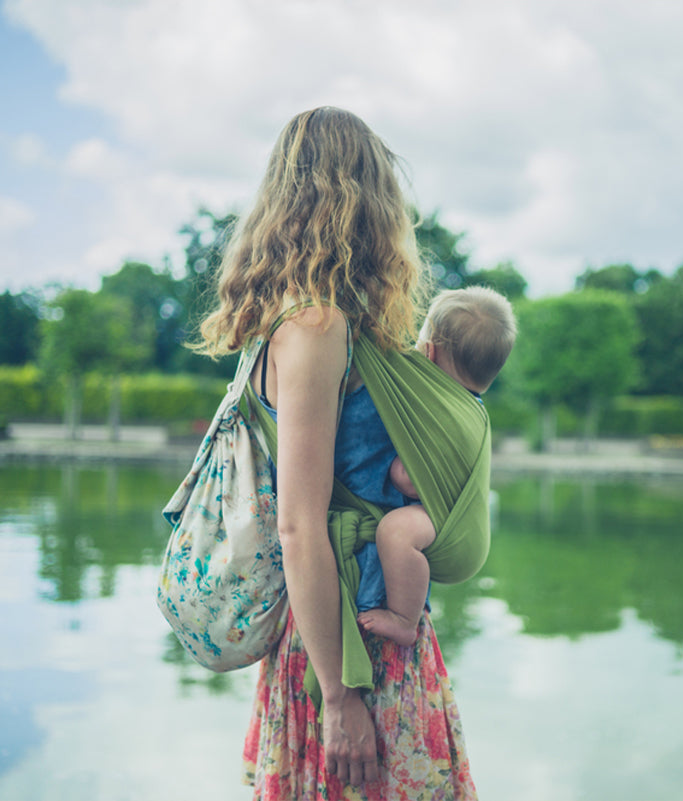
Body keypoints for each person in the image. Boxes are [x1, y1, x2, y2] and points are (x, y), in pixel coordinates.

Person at [193, 107, 477, 799]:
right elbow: (298, 523)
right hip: (352, 646)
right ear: (366, 198)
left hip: (334, 627)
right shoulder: (316, 326)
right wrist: (343, 697)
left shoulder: (292, 322)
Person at [357, 286, 516, 647]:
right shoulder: (470, 406)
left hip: (453, 538)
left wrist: (397, 466)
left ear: (427, 352)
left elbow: (411, 482)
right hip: (466, 530)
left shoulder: (443, 413)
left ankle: (403, 619)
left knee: (396, 531)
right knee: (400, 528)